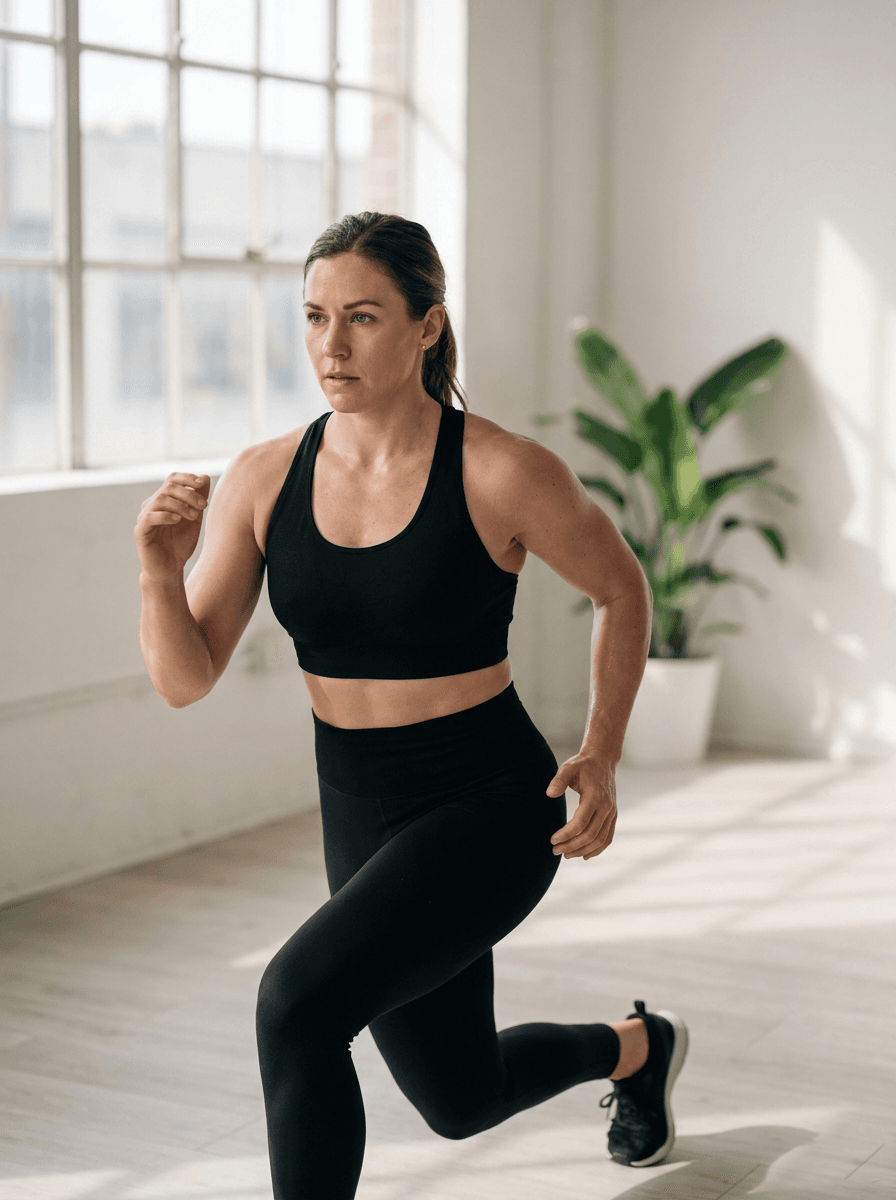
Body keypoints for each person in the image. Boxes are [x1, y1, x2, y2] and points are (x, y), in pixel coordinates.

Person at [134, 212, 688, 1199]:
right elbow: (186, 677)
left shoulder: (498, 469)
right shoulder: (265, 477)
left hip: (486, 803)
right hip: (357, 806)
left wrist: (599, 752)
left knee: (294, 1004)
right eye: (313, 317)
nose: (330, 346)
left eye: (362, 317)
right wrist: (154, 573)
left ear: (425, 326)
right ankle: (636, 1050)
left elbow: (620, 588)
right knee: (458, 1096)